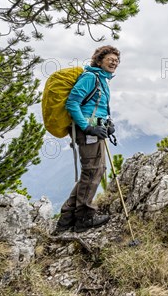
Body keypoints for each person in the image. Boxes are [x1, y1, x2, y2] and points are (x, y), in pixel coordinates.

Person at [54, 45, 120, 233]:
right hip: (88, 132)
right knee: (92, 172)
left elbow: (96, 107)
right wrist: (88, 127)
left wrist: (107, 123)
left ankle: (66, 220)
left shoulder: (102, 80)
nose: (114, 62)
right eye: (110, 58)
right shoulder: (90, 77)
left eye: (116, 60)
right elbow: (72, 103)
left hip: (95, 131)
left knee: (96, 171)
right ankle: (83, 217)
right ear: (99, 61)